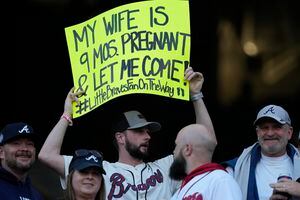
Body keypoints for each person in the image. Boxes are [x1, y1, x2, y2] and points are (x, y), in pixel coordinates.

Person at [38, 67, 216, 200]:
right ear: (120, 137)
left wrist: (196, 95)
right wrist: (67, 114)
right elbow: (46, 155)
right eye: (139, 131)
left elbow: (206, 142)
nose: (147, 136)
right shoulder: (98, 170)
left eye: (148, 131)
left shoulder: (166, 167)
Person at [223, 104, 300, 200]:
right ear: (257, 133)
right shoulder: (232, 170)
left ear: (289, 133)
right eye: (264, 127)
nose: (270, 133)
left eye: (277, 127)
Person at [169, 124, 242, 200]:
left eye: (176, 145)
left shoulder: (221, 180)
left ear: (187, 149)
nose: (174, 151)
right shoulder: (179, 192)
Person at [0, 122, 44, 200]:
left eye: (29, 144)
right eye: (16, 143)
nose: (25, 149)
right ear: (1, 152)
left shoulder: (37, 195)